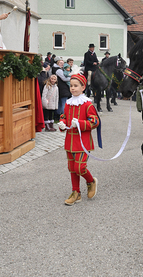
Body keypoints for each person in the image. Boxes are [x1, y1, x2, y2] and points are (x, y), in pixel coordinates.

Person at [57, 73, 100, 206]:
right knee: (72, 168)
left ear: (83, 87)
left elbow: (95, 122)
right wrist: (62, 123)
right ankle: (76, 193)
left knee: (80, 168)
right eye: (71, 86)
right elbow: (64, 116)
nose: (73, 88)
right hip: (70, 142)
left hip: (83, 143)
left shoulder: (87, 104)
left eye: (76, 86)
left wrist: (81, 124)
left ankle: (91, 181)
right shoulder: (68, 103)